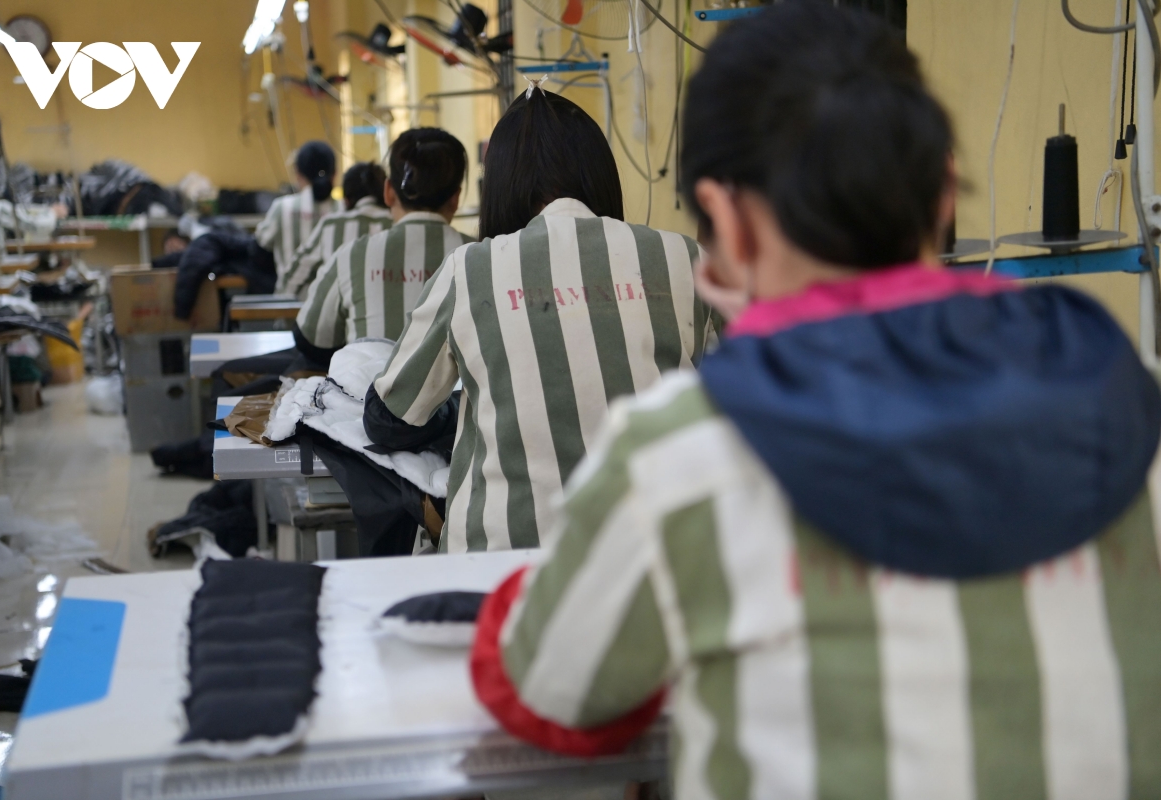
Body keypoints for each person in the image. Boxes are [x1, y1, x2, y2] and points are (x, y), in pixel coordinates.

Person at [470, 4, 1161, 798]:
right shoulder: (1126, 403)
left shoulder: (682, 458)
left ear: (726, 220)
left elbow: (546, 687)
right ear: (943, 191)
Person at [365, 90, 720, 553]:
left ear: (499, 185)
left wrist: (458, 411)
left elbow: (389, 418)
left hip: (502, 562)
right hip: (661, 556)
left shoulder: (469, 270)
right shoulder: (687, 259)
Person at [295, 128, 472, 365]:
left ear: (388, 192)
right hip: (460, 390)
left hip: (365, 388)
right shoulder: (482, 257)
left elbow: (312, 336)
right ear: (456, 198)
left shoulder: (354, 255)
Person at [281, 161, 393, 298]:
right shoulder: (397, 223)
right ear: (387, 192)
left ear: (346, 200)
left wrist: (284, 305)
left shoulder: (331, 225)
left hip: (341, 309)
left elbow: (295, 273)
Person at [255, 140, 341, 291]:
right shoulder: (345, 210)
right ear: (334, 174)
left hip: (289, 301)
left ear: (297, 173)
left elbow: (262, 242)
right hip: (335, 304)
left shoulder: (281, 208)